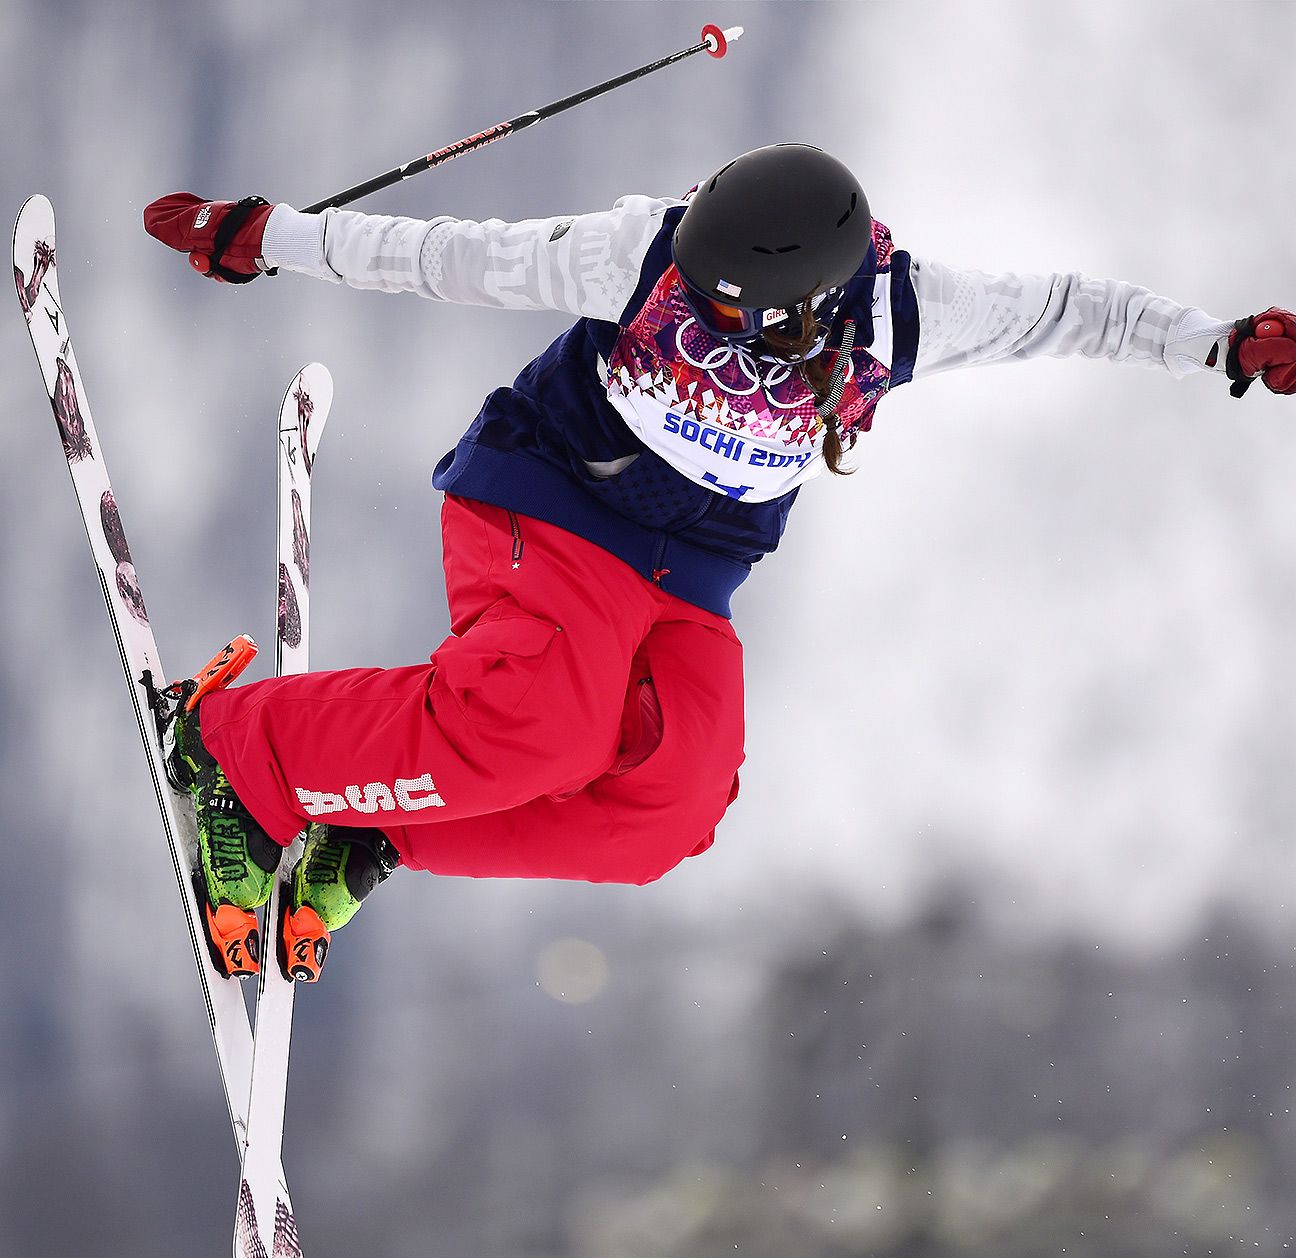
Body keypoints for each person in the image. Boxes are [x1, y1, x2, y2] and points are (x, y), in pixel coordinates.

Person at [144, 143, 1296, 983]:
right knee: (539, 727)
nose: (705, 311)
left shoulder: (906, 314)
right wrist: (273, 237)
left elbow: (1066, 311)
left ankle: (380, 819)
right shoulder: (639, 253)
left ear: (811, 303)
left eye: (735, 308)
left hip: (690, 578)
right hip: (553, 506)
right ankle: (239, 749)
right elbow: (452, 259)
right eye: (704, 288)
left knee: (668, 807)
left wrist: (1216, 343)